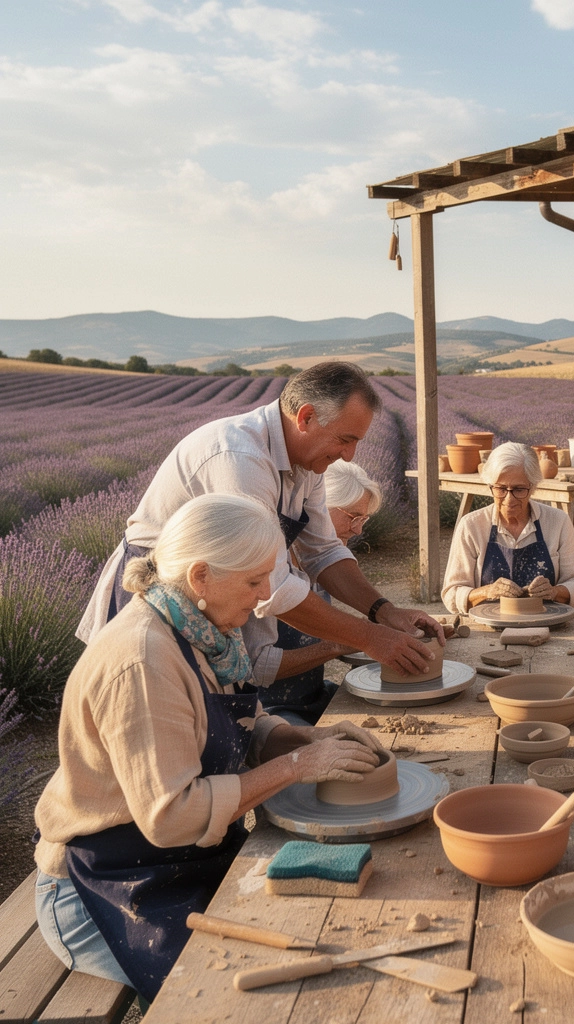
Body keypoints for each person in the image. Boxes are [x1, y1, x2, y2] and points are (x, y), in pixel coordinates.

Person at [34, 494, 388, 1001]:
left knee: (316, 928)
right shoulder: (143, 661)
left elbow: (247, 722)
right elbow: (171, 816)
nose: (265, 595)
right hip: (108, 883)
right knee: (246, 994)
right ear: (200, 576)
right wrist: (296, 766)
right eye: (252, 581)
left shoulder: (203, 630)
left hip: (182, 859)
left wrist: (307, 737)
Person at [76, 361, 441, 676]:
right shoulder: (240, 457)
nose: (349, 456)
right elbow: (274, 588)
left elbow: (324, 552)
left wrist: (384, 612)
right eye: (345, 439)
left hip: (211, 596)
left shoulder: (307, 463)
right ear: (306, 417)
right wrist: (368, 638)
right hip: (158, 598)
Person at [243, 461, 384, 724]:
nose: (359, 529)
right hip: (267, 710)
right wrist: (343, 642)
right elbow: (257, 667)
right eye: (353, 516)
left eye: (363, 519)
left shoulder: (321, 566)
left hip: (312, 696)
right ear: (320, 506)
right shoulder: (266, 571)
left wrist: (382, 631)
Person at [441, 442, 574, 614]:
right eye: (501, 489)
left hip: (545, 621)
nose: (509, 499)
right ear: (490, 486)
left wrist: (555, 592)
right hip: (489, 626)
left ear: (533, 487)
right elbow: (451, 594)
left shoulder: (558, 522)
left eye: (519, 489)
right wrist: (486, 592)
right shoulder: (471, 526)